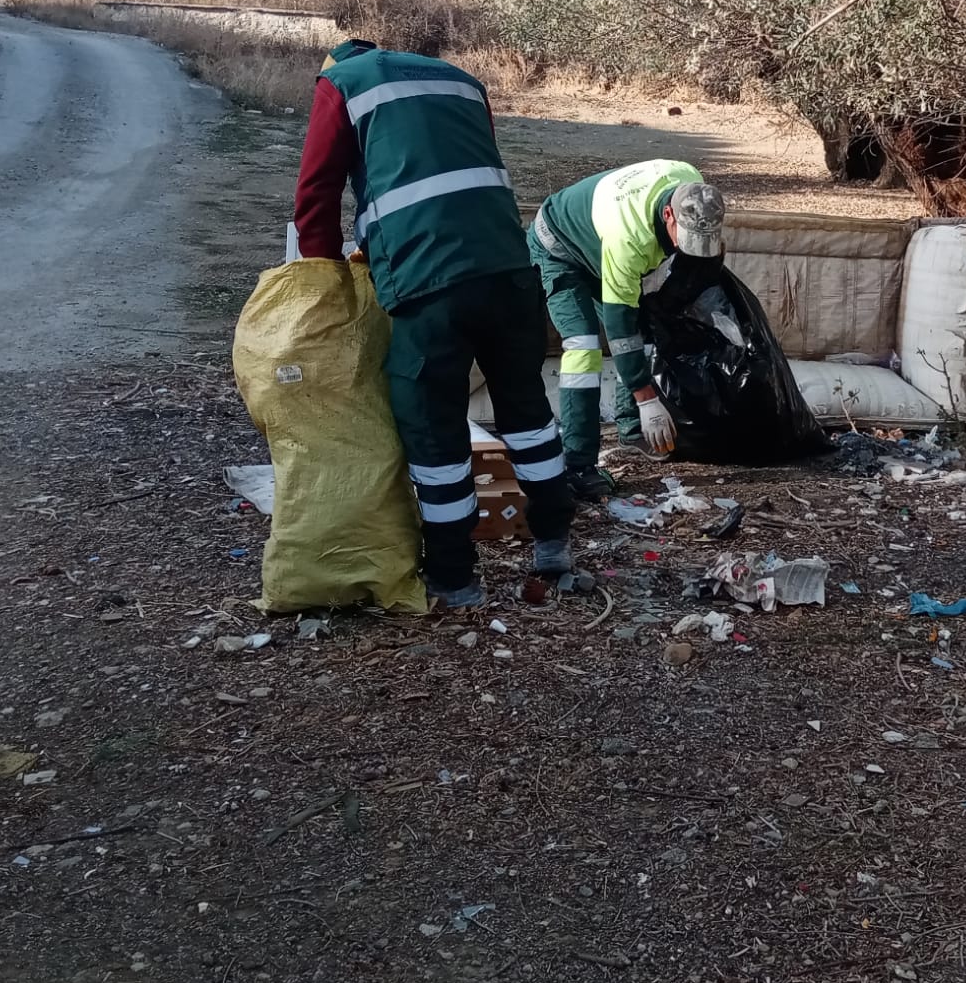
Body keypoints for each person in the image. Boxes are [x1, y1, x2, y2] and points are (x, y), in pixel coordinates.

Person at [293, 37, 573, 610]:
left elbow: (316, 192)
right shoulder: (460, 79)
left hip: (427, 285)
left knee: (434, 427)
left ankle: (454, 575)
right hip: (510, 271)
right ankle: (553, 547)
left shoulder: (341, 84)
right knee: (528, 415)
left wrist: (324, 283)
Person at [527, 159, 727, 497]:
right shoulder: (629, 239)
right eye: (687, 238)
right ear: (669, 216)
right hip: (560, 247)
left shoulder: (692, 183)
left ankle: (631, 430)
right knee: (583, 346)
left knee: (644, 327)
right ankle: (578, 464)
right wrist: (647, 399)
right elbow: (619, 328)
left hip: (598, 240)